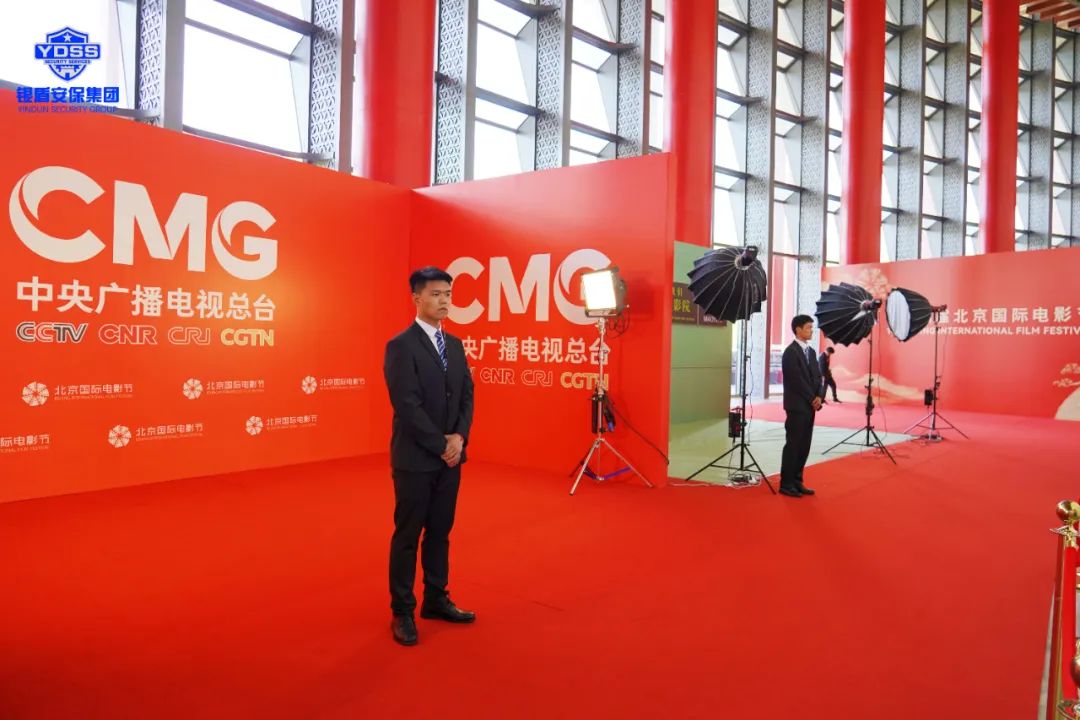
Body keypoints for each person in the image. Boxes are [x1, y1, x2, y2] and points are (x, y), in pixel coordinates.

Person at [383, 266, 475, 646]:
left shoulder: (454, 345)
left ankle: (436, 598)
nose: (444, 301)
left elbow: (467, 395)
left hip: (450, 459)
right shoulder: (400, 346)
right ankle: (402, 610)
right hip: (416, 460)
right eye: (436, 294)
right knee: (408, 535)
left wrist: (459, 438)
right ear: (417, 298)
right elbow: (407, 405)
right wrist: (441, 444)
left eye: (448, 294)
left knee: (440, 532)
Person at [779, 315, 824, 498]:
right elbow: (796, 380)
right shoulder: (790, 352)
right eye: (808, 327)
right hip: (797, 406)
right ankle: (786, 483)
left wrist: (819, 396)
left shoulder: (811, 352)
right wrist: (812, 398)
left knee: (805, 445)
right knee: (793, 444)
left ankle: (797, 480)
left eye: (812, 327)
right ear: (798, 329)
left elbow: (818, 377)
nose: (811, 330)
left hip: (810, 406)